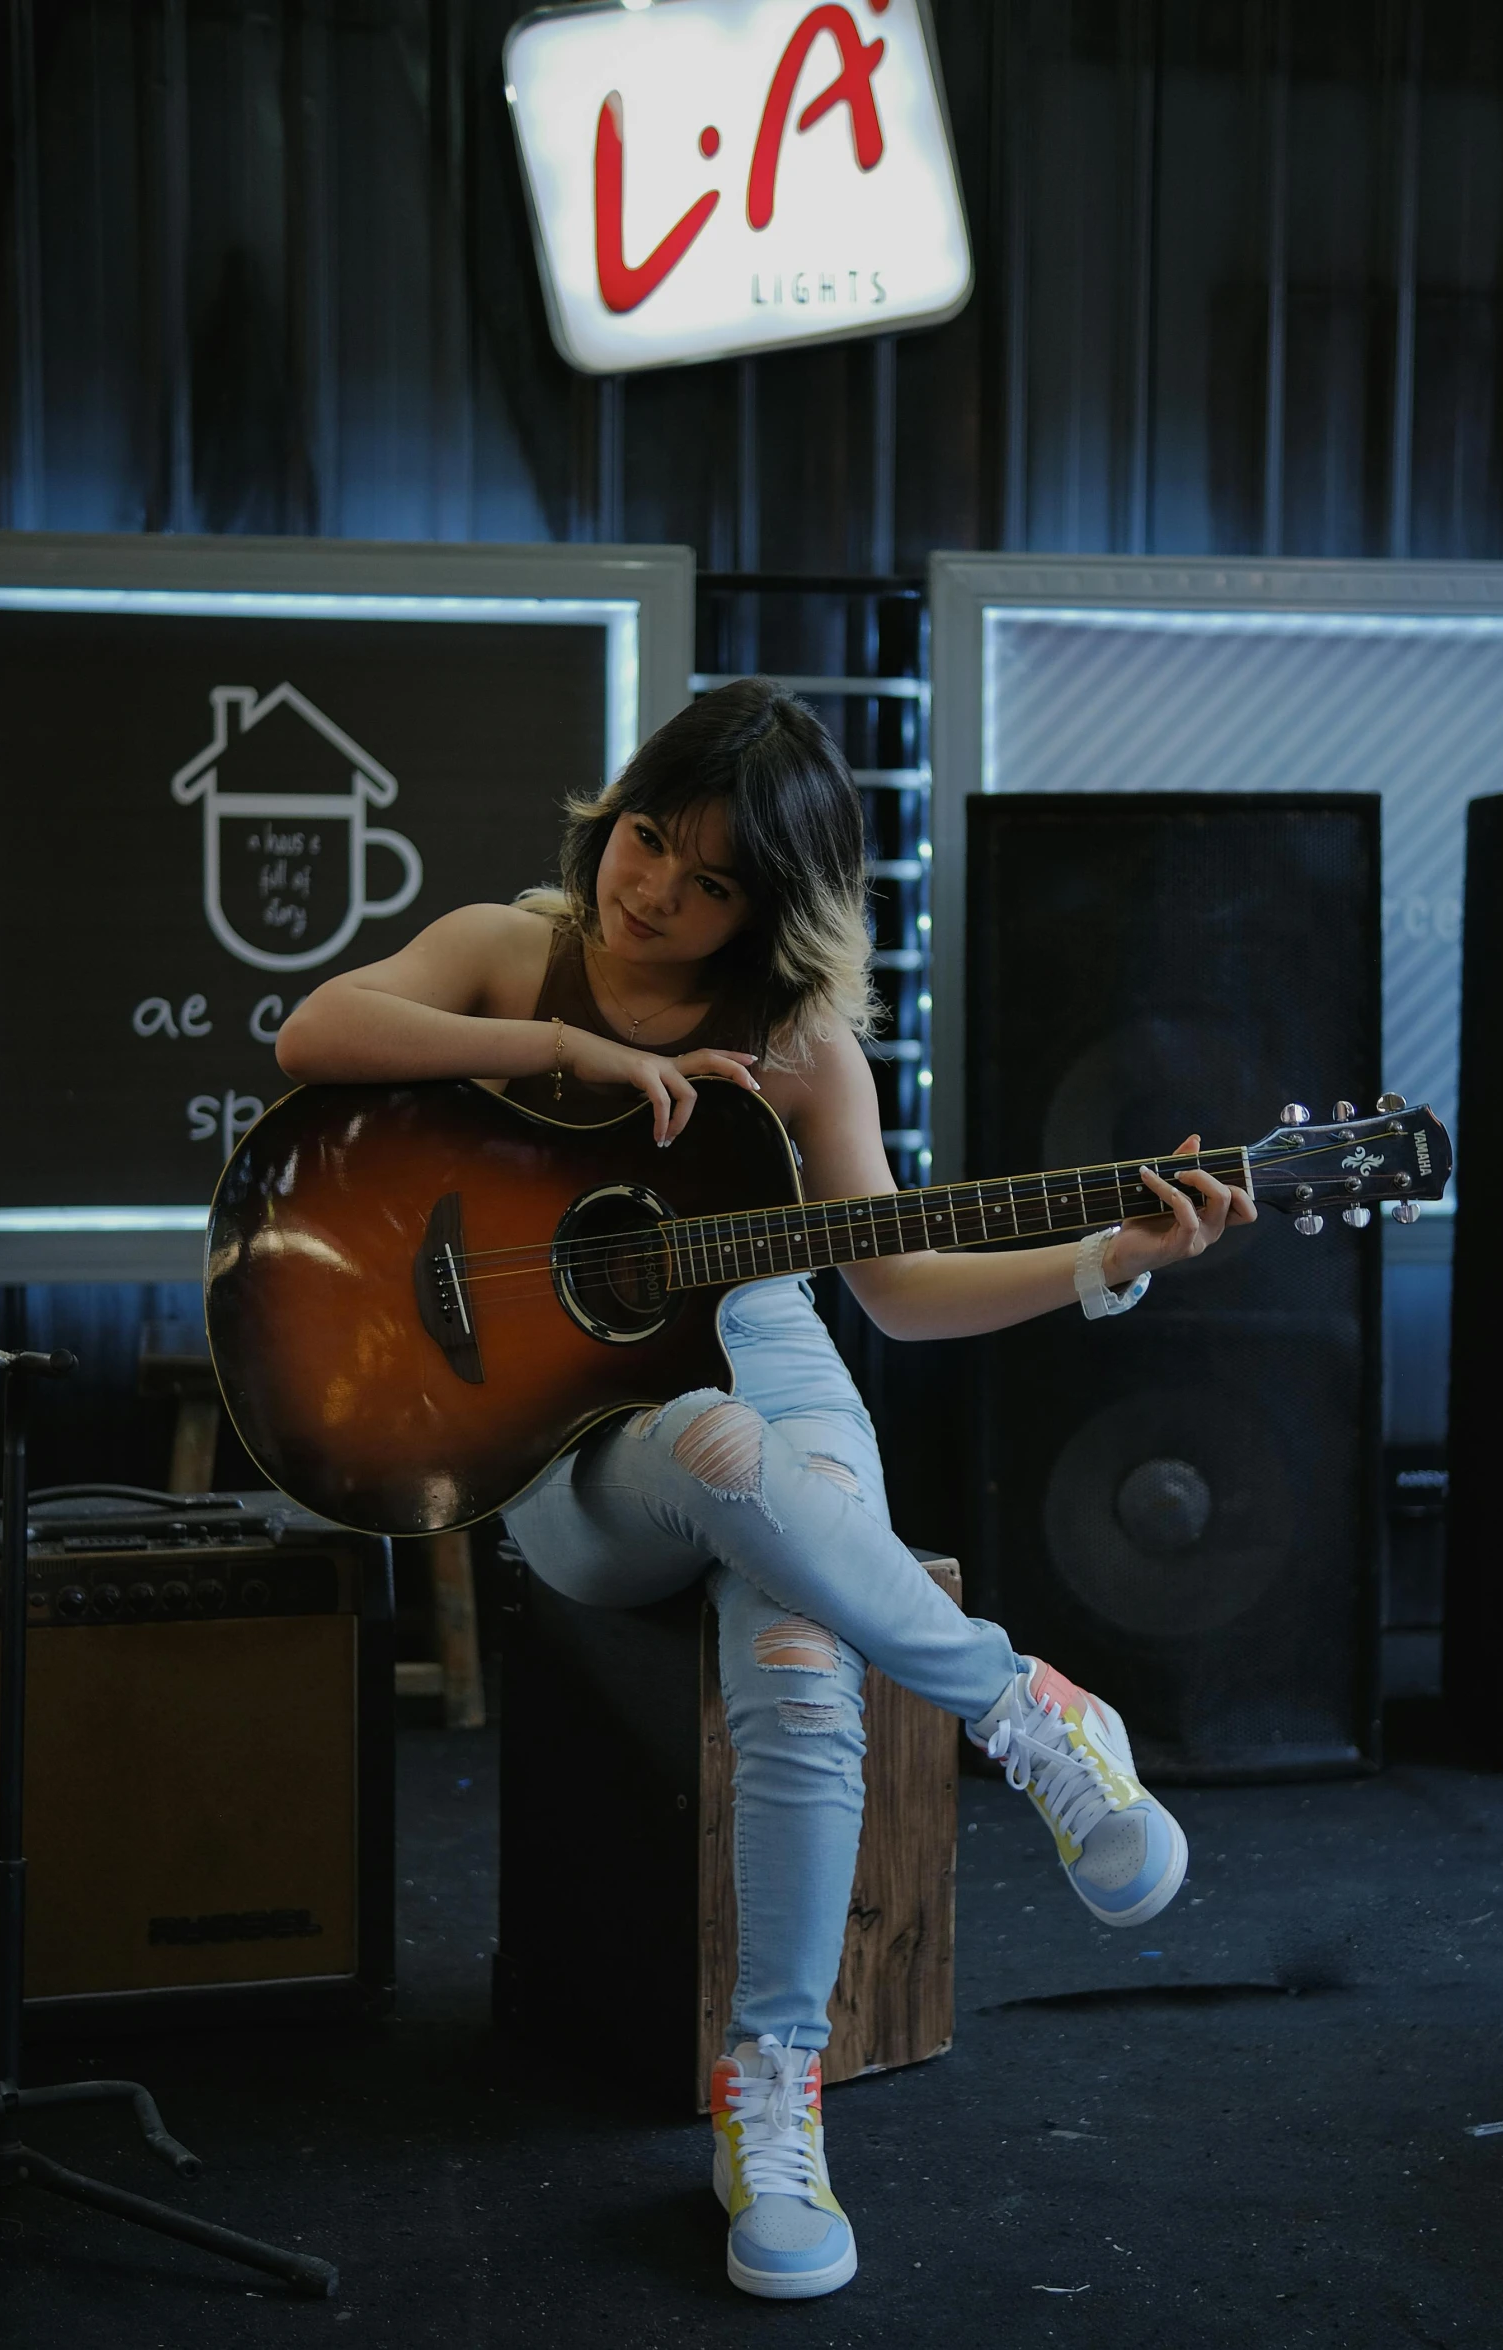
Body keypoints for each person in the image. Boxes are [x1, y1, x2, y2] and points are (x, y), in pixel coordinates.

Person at [274, 678, 1256, 2303]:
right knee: (721, 1454)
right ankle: (1016, 1702)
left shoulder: (796, 1049)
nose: (651, 887)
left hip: (768, 1368)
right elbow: (313, 1032)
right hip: (560, 1441)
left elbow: (892, 1290)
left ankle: (769, 2098)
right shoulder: (505, 953)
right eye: (650, 837)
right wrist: (560, 1044)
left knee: (798, 1649)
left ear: (767, 907)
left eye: (709, 878)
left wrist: (1108, 1258)